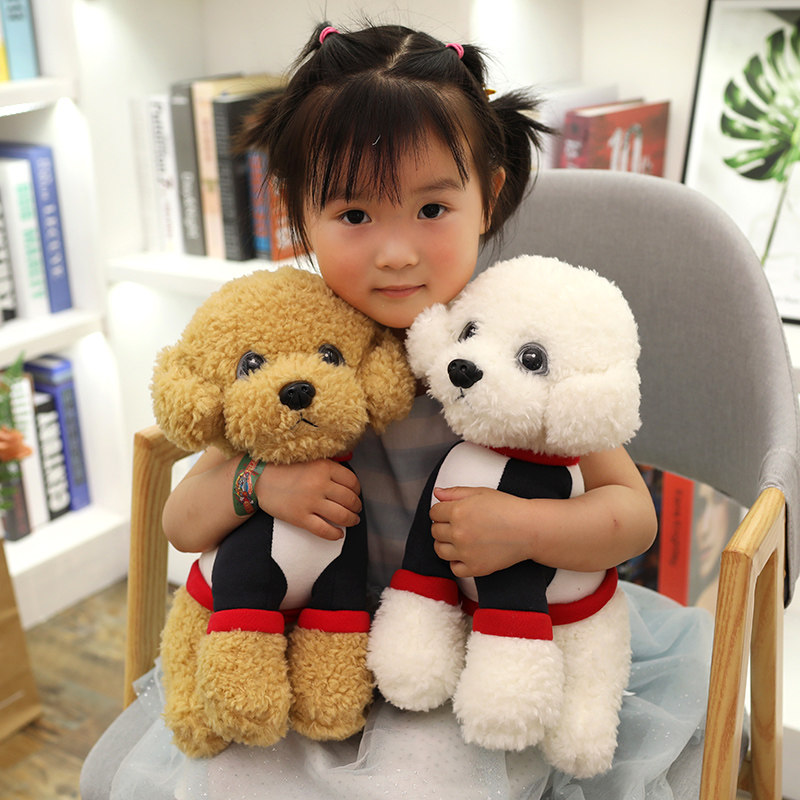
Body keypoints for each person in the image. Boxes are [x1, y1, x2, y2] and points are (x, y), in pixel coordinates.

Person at [81, 21, 714, 800]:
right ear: (295, 214)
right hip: (322, 645)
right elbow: (182, 522)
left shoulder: (513, 345)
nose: (396, 251)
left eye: (432, 208)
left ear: (490, 196)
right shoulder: (296, 350)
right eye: (354, 216)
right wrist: (258, 485)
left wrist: (525, 529)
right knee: (232, 778)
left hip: (479, 648)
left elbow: (633, 517)